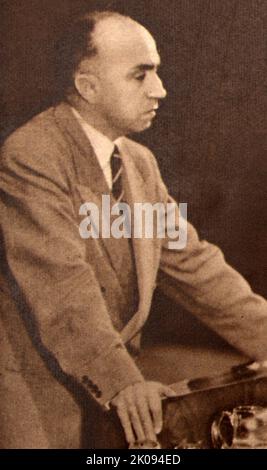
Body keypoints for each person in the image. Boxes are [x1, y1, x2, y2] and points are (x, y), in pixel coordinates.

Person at [0, 10, 266, 449]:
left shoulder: (140, 163)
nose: (160, 90)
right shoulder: (30, 156)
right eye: (141, 75)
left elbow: (195, 266)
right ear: (88, 87)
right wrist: (123, 382)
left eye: (157, 73)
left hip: (117, 404)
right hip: (39, 406)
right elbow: (63, 290)